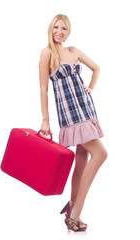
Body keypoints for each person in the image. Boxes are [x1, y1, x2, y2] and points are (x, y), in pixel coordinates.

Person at [39, 14, 108, 232]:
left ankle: (71, 205)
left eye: (65, 28)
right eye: (57, 27)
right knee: (101, 154)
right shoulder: (47, 53)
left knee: (83, 157)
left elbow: (96, 68)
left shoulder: (73, 51)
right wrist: (45, 120)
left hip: (86, 108)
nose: (60, 31)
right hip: (70, 114)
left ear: (69, 32)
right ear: (51, 29)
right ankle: (75, 214)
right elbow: (43, 89)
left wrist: (91, 87)